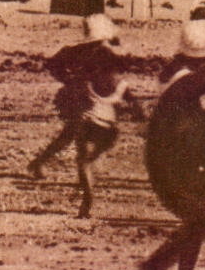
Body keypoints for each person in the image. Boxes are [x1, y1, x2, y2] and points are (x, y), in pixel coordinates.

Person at [140, 18, 205, 270]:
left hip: (173, 152)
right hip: (187, 154)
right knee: (202, 219)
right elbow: (202, 116)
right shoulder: (189, 80)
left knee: (199, 219)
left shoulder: (174, 74)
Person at [26, 13, 129, 219]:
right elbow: (120, 76)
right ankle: (83, 195)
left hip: (80, 100)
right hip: (92, 103)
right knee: (77, 143)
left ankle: (40, 162)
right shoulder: (107, 52)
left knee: (70, 136)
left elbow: (53, 65)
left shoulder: (76, 50)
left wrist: (69, 79)